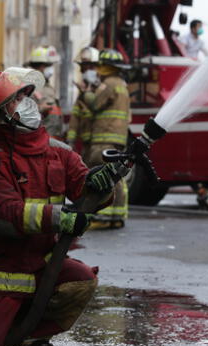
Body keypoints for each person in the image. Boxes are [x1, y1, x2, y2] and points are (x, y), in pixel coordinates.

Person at [0, 67, 131, 346]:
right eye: (17, 98)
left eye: (26, 95)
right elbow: (5, 215)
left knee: (80, 282)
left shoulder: (58, 152)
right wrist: (60, 218)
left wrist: (101, 185)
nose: (29, 102)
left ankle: (26, 332)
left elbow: (87, 191)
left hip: (36, 264)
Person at [81, 49, 131, 230]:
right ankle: (116, 217)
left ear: (107, 67)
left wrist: (85, 93)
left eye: (100, 65)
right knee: (115, 176)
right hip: (117, 137)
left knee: (99, 174)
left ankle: (101, 217)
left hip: (103, 137)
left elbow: (95, 104)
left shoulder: (108, 84)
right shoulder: (122, 84)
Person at [67, 47, 101, 154]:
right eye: (84, 69)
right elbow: (75, 117)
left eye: (91, 68)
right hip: (87, 143)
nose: (86, 72)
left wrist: (87, 93)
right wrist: (70, 141)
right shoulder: (83, 92)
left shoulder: (104, 88)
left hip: (101, 140)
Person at [27, 45, 63, 139]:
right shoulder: (29, 87)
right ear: (40, 66)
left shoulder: (48, 87)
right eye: (49, 65)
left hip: (53, 140)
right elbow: (22, 115)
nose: (51, 69)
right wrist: (40, 109)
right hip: (40, 141)